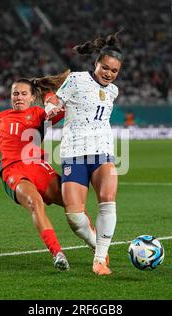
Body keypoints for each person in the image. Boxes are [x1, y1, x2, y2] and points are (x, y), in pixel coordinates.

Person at [0, 71, 98, 270]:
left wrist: (49, 93)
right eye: (15, 94)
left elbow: (65, 111)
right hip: (13, 170)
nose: (19, 97)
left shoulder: (40, 114)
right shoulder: (2, 117)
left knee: (72, 202)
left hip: (39, 167)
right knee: (34, 202)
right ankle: (57, 253)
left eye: (23, 94)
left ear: (32, 97)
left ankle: (97, 247)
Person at [46, 31, 123, 275]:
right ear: (96, 64)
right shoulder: (77, 79)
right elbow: (54, 102)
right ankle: (95, 243)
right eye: (105, 68)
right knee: (74, 216)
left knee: (108, 200)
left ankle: (99, 260)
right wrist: (49, 106)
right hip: (74, 152)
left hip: (103, 151)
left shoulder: (114, 91)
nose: (109, 74)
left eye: (114, 71)